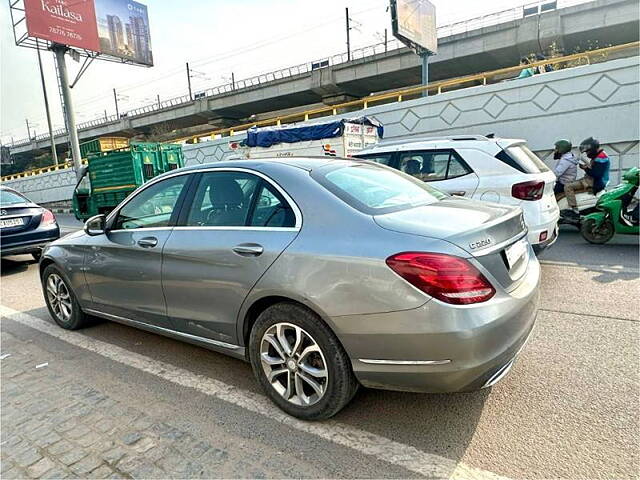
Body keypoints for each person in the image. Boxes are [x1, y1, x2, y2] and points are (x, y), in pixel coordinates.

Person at [563, 137, 610, 214]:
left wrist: (585, 168)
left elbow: (596, 174)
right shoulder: (600, 155)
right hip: (592, 180)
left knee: (568, 186)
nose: (587, 154)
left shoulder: (601, 157)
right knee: (572, 183)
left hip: (595, 182)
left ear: (592, 149)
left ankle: (574, 208)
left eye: (588, 152)